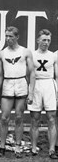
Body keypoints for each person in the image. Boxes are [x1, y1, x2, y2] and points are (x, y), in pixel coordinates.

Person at [0, 26, 35, 158]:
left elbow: (32, 72)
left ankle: (18, 146)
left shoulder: (26, 52)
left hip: (21, 83)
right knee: (4, 117)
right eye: (6, 36)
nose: (8, 39)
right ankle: (2, 146)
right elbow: (0, 74)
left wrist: (31, 92)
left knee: (19, 117)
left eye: (11, 36)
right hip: (7, 84)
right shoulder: (1, 53)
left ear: (17, 37)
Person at [28, 29, 58, 159]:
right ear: (38, 40)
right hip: (36, 85)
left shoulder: (53, 55)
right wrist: (30, 90)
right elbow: (27, 74)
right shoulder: (32, 55)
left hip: (49, 85)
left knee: (51, 118)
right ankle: (33, 147)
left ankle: (52, 149)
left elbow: (57, 75)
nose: (46, 43)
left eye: (48, 40)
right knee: (35, 119)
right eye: (44, 40)